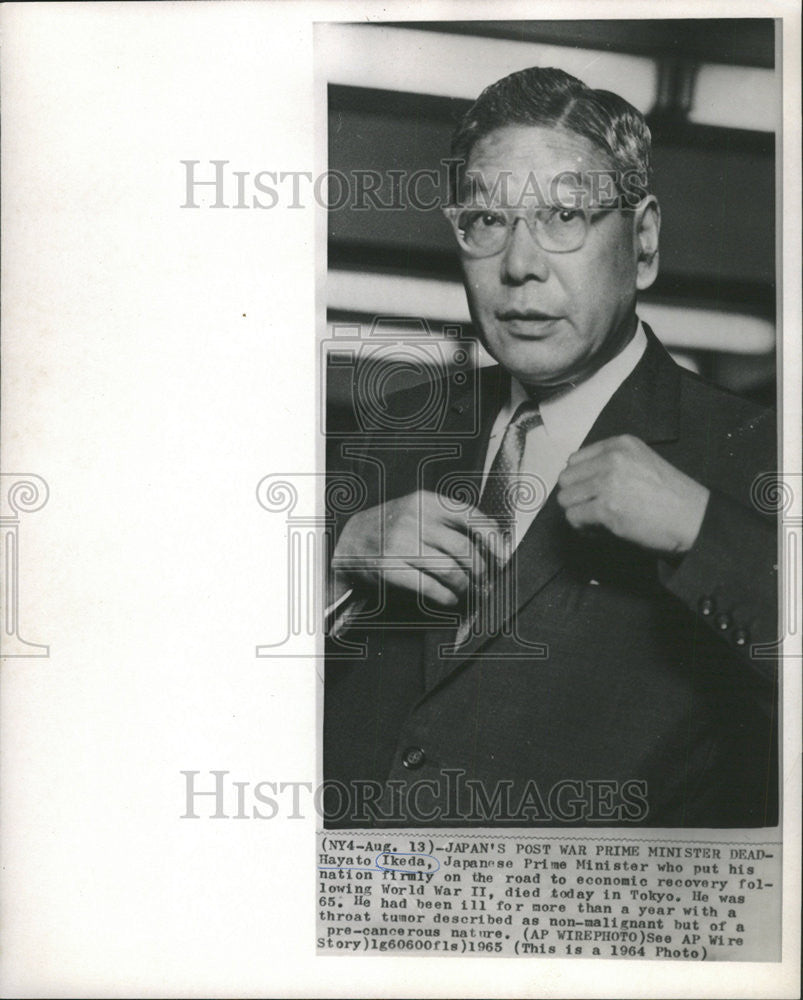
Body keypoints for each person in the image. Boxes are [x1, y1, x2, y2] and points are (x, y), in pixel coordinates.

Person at [323, 67, 778, 828]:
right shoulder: (387, 436)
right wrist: (334, 554)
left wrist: (703, 532)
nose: (519, 265)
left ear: (642, 243)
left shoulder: (756, 453)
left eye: (563, 217)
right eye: (485, 222)